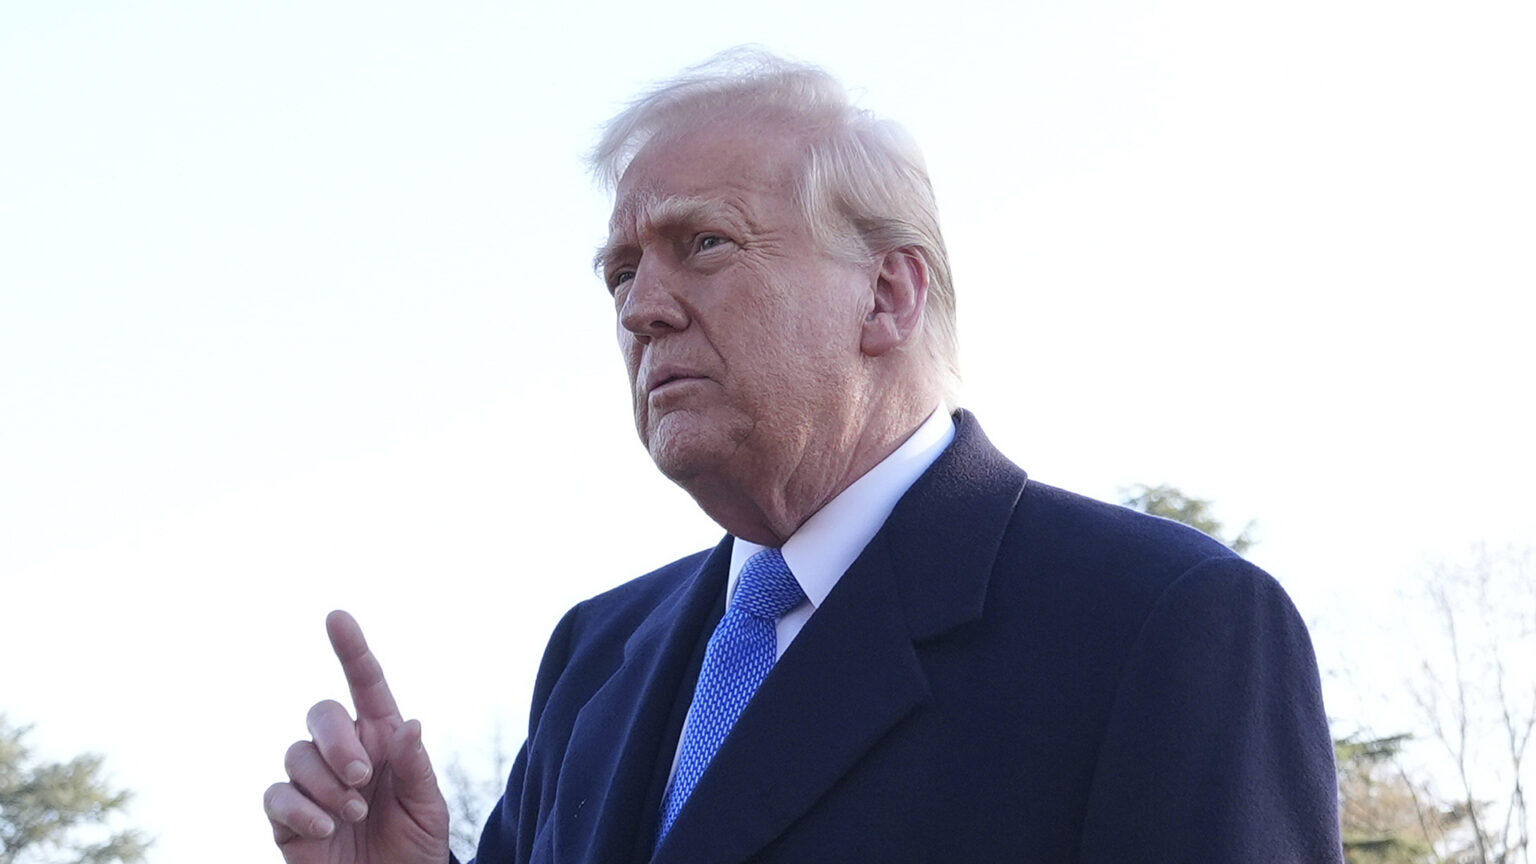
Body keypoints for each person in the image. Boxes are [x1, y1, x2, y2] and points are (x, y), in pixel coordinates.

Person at [263, 49, 1343, 864]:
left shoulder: (1164, 624)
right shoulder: (597, 654)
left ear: (888, 292)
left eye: (705, 244)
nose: (641, 308)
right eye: (620, 272)